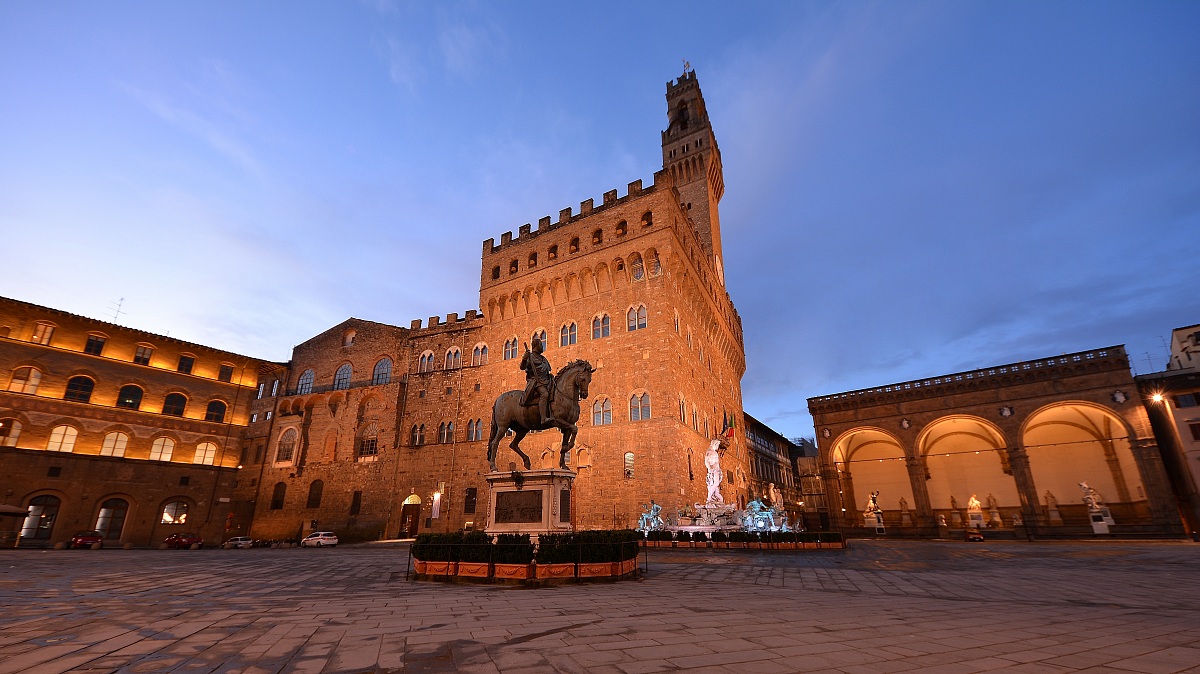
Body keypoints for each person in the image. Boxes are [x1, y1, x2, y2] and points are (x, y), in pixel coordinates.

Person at [519, 340, 553, 425]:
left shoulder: (543, 358)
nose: (542, 346)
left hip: (546, 380)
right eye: (541, 344)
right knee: (545, 394)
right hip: (536, 382)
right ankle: (543, 418)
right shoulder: (530, 357)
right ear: (535, 346)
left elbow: (547, 370)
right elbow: (522, 367)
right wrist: (524, 358)